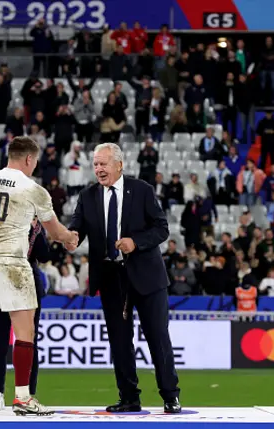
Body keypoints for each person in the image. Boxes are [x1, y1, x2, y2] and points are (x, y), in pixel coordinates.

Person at [0, 136, 78, 415]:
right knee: (25, 331)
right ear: (30, 159)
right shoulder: (33, 189)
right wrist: (70, 238)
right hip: (13, 263)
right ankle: (22, 397)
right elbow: (55, 232)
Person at [66, 143, 181, 413]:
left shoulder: (142, 190)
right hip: (111, 278)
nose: (99, 169)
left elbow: (161, 228)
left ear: (119, 164)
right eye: (95, 164)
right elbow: (76, 228)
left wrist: (135, 242)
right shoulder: (87, 195)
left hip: (147, 277)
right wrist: (69, 238)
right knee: (119, 340)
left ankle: (170, 395)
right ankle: (129, 397)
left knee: (157, 336)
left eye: (103, 163)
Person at [0, 217, 49, 411]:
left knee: (29, 342)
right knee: (0, 341)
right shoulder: (0, 221)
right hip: (2, 281)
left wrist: (35, 231)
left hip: (29, 283)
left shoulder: (36, 228)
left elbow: (45, 255)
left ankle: (27, 393)